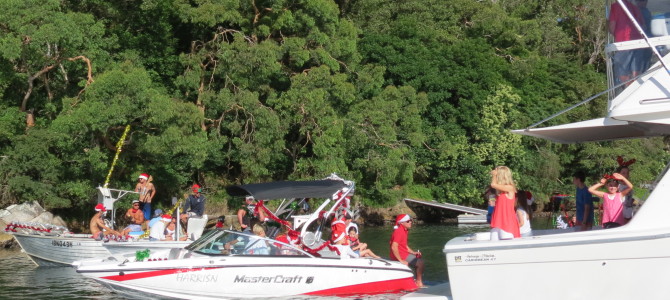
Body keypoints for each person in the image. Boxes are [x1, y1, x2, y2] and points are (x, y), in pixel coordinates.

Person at [609, 0, 646, 86]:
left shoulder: (615, 7)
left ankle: (630, 88)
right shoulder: (635, 7)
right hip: (638, 42)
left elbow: (612, 25)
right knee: (636, 70)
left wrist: (614, 34)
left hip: (624, 43)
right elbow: (643, 26)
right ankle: (636, 86)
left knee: (621, 69)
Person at [389, 214, 424, 288]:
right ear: (402, 223)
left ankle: (413, 281)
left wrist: (413, 252)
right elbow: (394, 246)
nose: (410, 222)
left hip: (403, 254)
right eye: (408, 221)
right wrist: (400, 260)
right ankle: (418, 283)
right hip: (401, 255)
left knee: (418, 259)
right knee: (420, 263)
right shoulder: (399, 231)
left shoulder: (404, 230)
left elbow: (404, 245)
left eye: (410, 220)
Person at [489, 166, 520, 240]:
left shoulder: (510, 187)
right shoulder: (498, 191)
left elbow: (493, 185)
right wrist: (492, 199)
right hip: (496, 222)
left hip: (507, 223)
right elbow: (492, 204)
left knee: (506, 243)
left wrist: (494, 175)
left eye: (497, 173)